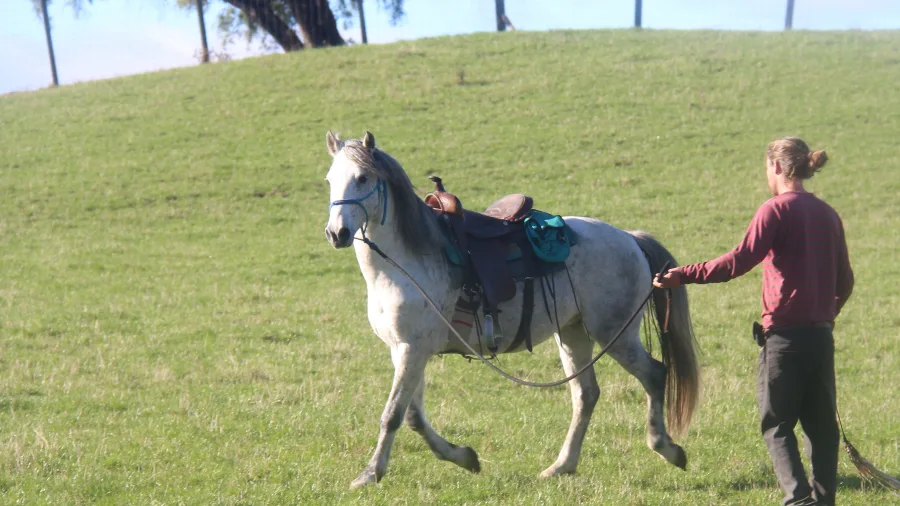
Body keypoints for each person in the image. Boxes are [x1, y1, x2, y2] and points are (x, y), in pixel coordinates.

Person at [653, 137, 854, 506]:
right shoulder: (828, 214)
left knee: (776, 423)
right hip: (821, 338)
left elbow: (739, 261)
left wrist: (683, 275)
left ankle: (797, 498)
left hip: (783, 339)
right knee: (822, 429)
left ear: (776, 167)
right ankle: (823, 502)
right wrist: (825, 316)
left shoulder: (775, 210)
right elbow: (846, 282)